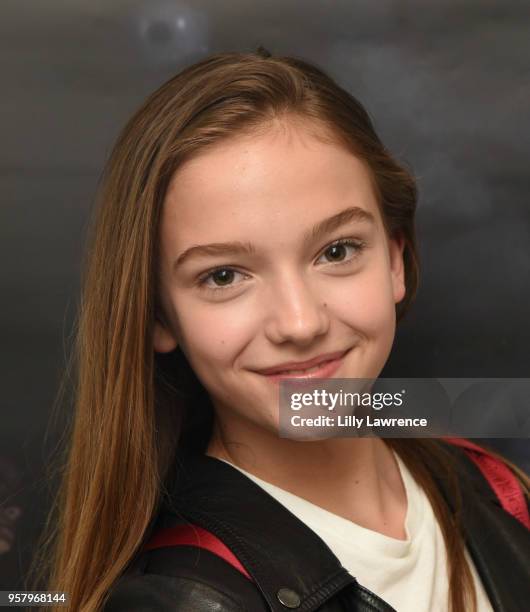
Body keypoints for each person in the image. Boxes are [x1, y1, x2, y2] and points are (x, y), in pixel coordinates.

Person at [33, 48, 530, 612]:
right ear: (158, 316)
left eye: (337, 251)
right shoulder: (176, 598)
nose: (301, 322)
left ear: (396, 259)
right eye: (224, 276)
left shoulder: (496, 489)